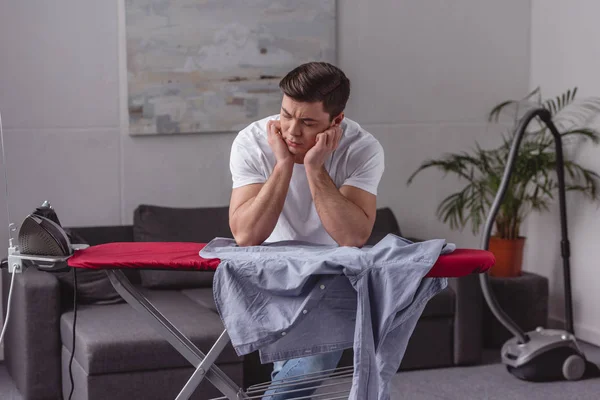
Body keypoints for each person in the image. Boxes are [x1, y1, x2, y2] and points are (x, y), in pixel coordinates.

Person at [228, 61, 385, 399]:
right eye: (286, 115)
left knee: (311, 364)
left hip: (333, 274)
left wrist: (314, 168)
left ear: (336, 121)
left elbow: (353, 237)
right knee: (298, 367)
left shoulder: (362, 148)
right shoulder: (253, 142)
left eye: (308, 122)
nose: (292, 132)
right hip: (269, 272)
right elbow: (246, 235)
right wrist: (284, 164)